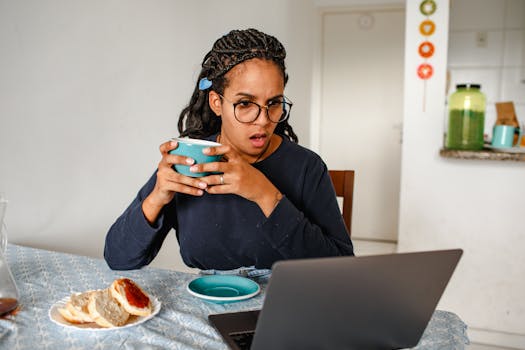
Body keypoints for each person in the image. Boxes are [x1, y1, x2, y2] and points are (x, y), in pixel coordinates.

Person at [104, 28, 353, 271]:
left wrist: (266, 194)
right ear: (216, 103)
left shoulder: (306, 167)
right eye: (245, 103)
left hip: (283, 299)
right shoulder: (191, 161)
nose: (263, 120)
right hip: (205, 302)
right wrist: (157, 196)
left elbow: (341, 269)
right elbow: (117, 258)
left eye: (274, 103)